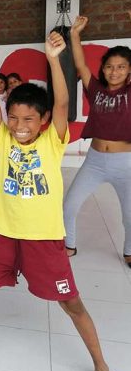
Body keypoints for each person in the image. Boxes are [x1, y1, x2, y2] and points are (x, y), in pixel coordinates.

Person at [0, 33, 126, 371]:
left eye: (28, 119)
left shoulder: (51, 140)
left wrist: (55, 58)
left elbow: (62, 103)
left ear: (43, 120)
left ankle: (102, 367)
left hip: (44, 238)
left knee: (71, 302)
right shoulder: (1, 138)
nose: (20, 125)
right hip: (0, 233)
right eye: (15, 118)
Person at [63, 15, 131, 267]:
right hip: (95, 161)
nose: (114, 71)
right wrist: (75, 34)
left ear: (129, 70)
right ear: (103, 69)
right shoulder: (97, 90)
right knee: (69, 205)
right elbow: (80, 65)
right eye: (109, 66)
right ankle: (68, 244)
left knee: (130, 216)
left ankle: (129, 251)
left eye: (121, 66)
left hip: (126, 163)